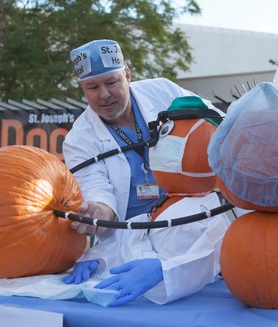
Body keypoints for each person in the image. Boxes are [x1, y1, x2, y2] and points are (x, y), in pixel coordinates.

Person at [62, 39, 231, 306]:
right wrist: (97, 214)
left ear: (127, 75)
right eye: (92, 87)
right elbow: (99, 194)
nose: (104, 94)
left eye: (112, 82)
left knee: (215, 223)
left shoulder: (162, 91)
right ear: (83, 89)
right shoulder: (79, 140)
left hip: (191, 206)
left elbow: (214, 124)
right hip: (137, 234)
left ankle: (171, 270)